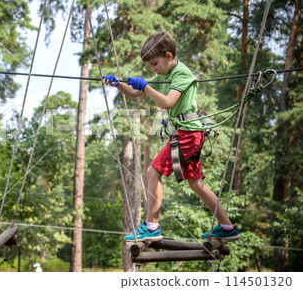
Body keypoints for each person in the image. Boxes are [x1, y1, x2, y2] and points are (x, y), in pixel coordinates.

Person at [102, 32, 241, 242]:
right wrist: (117, 84)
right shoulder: (164, 75)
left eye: (155, 63)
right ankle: (227, 227)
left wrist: (146, 86)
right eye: (150, 66)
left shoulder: (181, 73)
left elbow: (168, 103)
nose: (153, 69)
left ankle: (151, 227)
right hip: (187, 133)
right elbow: (135, 92)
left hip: (189, 134)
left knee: (152, 172)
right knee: (195, 183)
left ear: (168, 56)